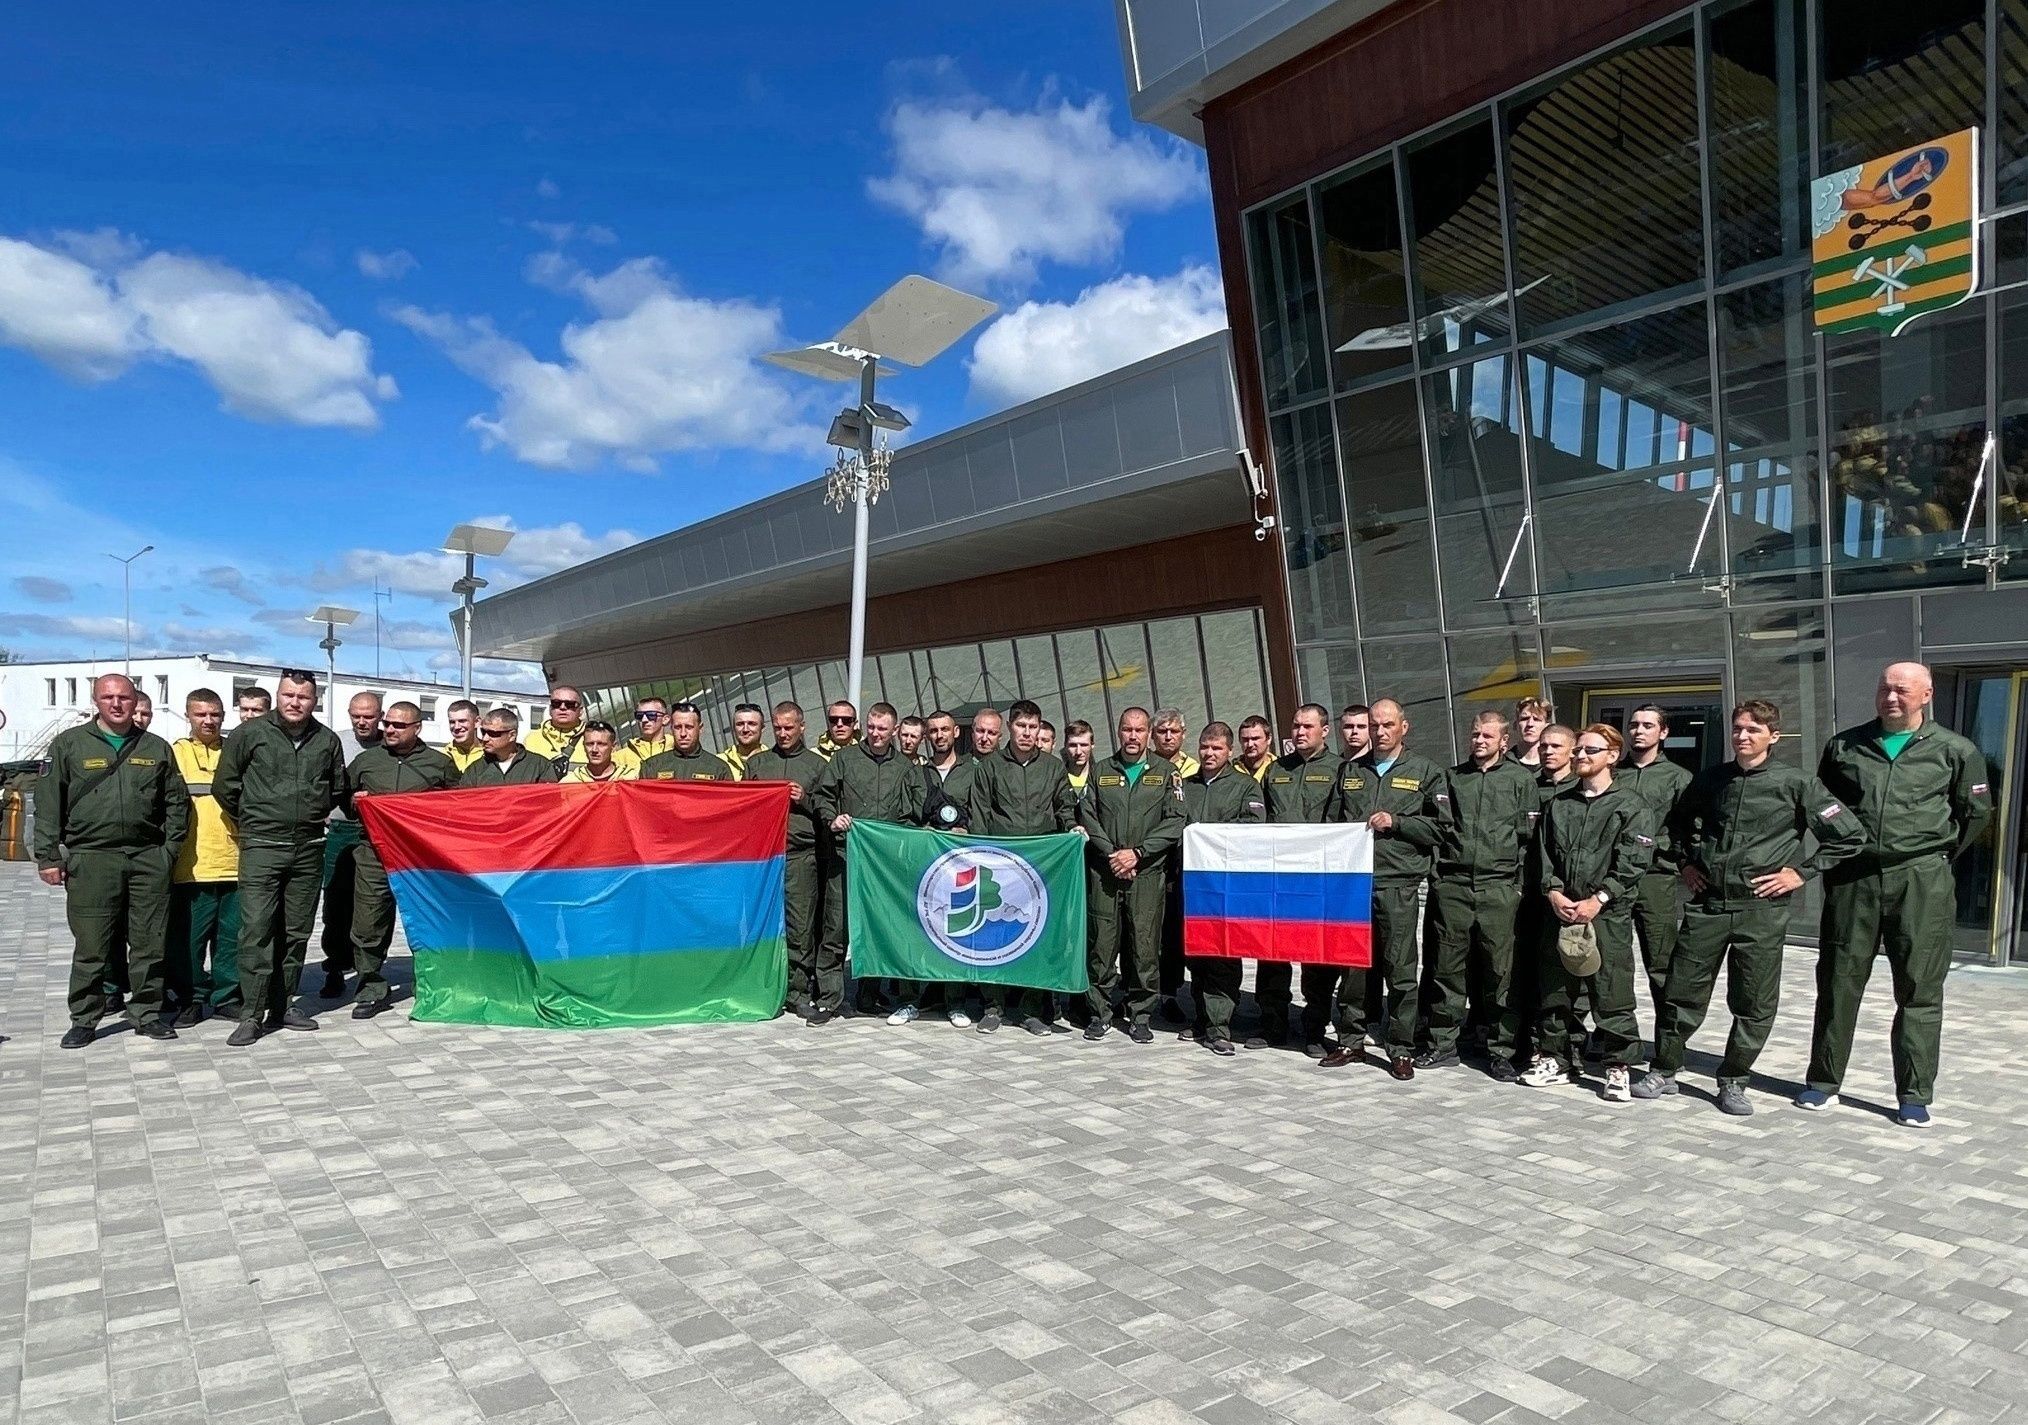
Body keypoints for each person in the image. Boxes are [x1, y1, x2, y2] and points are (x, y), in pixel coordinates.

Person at [1632, 701, 1865, 1115]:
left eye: (1753, 730)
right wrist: (1686, 864)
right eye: (1738, 729)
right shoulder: (1711, 780)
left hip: (1761, 910)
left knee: (1753, 1001)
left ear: (1773, 736)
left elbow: (1848, 835)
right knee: (1681, 991)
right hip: (1709, 906)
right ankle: (1665, 1068)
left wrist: (1800, 873)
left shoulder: (1797, 784)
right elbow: (1678, 824)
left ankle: (1735, 1079)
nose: (1742, 736)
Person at [1801, 662, 1992, 1126]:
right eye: (1884, 688)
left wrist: (1936, 858)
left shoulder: (1956, 750)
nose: (1890, 697)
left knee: (1919, 989)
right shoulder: (1845, 745)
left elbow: (1977, 813)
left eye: (1901, 690)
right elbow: (1823, 806)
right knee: (1838, 983)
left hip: (1921, 880)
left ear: (1926, 695)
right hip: (1855, 879)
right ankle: (1823, 1083)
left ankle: (1914, 1095)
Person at [35, 673, 190, 1046]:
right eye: (108, 697)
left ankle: (147, 1012)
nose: (117, 704)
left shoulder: (155, 747)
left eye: (124, 697)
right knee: (91, 945)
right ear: (96, 701)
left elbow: (176, 803)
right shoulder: (69, 744)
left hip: (146, 857)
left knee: (149, 942)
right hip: (92, 858)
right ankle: (85, 1017)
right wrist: (47, 857)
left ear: (135, 701)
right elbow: (48, 804)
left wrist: (168, 852)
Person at [1518, 724, 1656, 1099]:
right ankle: (1555, 1059)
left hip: (1606, 917)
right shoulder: (1559, 804)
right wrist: (1553, 891)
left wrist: (1601, 898)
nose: (1580, 756)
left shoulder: (1630, 806)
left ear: (1612, 755)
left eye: (1590, 751)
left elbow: (1634, 860)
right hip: (1561, 912)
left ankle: (1617, 1066)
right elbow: (1542, 855)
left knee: (1611, 992)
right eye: (1578, 750)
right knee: (1556, 991)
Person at [214, 669, 349, 1046]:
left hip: (307, 849)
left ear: (314, 700)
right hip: (261, 847)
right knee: (257, 931)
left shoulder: (327, 740)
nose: (295, 702)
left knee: (295, 931)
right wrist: (256, 821)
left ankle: (283, 1004)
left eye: (303, 697)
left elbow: (337, 788)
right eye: (288, 695)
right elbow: (224, 786)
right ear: (278, 696)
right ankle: (251, 1014)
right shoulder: (249, 735)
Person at [1322, 698, 1443, 1080]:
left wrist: (1398, 822)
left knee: (1401, 969)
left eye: (1387, 724)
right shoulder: (1350, 771)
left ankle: (1401, 1047)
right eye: (1374, 725)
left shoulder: (1426, 772)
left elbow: (1441, 828)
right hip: (1355, 884)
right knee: (1354, 966)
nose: (1379, 731)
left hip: (1398, 883)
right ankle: (1351, 1039)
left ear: (1403, 727)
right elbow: (1332, 824)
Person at [1419, 710, 1536, 1078]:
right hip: (1453, 887)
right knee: (1446, 970)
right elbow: (1438, 831)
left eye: (1487, 736)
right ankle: (1442, 1044)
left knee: (1500, 973)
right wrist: (1439, 879)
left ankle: (1501, 1050)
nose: (1479, 741)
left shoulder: (1520, 780)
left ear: (1504, 741)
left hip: (1499, 889)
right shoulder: (1453, 778)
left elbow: (1528, 840)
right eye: (1475, 735)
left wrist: (1516, 886)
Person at [967, 698, 1078, 1035]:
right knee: (995, 934)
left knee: (1037, 935)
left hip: (1041, 867)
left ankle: (1030, 1009)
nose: (1027, 733)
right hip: (1000, 866)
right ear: (1010, 728)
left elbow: (1064, 806)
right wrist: (983, 858)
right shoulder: (989, 767)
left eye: (1033, 727)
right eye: (1021, 726)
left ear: (1039, 729)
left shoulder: (1053, 767)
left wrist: (1072, 829)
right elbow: (980, 814)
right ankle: (993, 1006)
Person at [342, 701, 458, 1017]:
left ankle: (431, 985)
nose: (390, 729)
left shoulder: (439, 764)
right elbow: (343, 798)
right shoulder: (366, 762)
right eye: (388, 724)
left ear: (417, 728)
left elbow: (456, 806)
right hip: (373, 855)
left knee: (426, 921)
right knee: (368, 923)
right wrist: (355, 803)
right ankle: (371, 989)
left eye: (399, 725)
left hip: (419, 858)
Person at [810, 704, 924, 1023]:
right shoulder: (844, 759)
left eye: (882, 729)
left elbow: (914, 811)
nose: (875, 734)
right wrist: (832, 819)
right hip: (845, 857)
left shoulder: (904, 767)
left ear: (895, 730)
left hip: (884, 866)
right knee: (836, 927)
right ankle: (830, 1000)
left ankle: (868, 996)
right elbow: (823, 796)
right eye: (871, 727)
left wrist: (896, 837)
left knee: (879, 929)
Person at [1078, 707, 1186, 1043]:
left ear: (1148, 733)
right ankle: (1100, 1013)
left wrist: (1137, 853)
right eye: (1127, 729)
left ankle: (1140, 1015)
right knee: (1102, 946)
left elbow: (1175, 820)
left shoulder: (1167, 773)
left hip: (1146, 873)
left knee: (1144, 946)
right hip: (1106, 873)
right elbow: (1088, 814)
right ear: (1119, 731)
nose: (1133, 736)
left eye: (1140, 730)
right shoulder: (1100, 771)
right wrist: (1112, 853)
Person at [1256, 704, 1342, 1049]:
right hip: (1279, 879)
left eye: (1308, 726)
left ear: (1325, 730)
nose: (1300, 732)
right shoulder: (1276, 770)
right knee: (1272, 953)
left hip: (1317, 879)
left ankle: (1314, 1029)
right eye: (1295, 725)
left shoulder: (1340, 770)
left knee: (1317, 958)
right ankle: (1272, 1024)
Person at [1179, 721, 1265, 1055]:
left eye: (1217, 748)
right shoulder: (1184, 786)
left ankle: (1219, 1027)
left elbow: (1255, 827)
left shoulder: (1245, 787)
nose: (1209, 753)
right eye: (1205, 747)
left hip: (1226, 888)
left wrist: (1210, 834)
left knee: (1223, 956)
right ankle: (1201, 1019)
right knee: (1196, 956)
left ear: (1230, 751)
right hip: (1191, 886)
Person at [742, 703, 828, 1020]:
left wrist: (805, 798)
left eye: (789, 727)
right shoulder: (758, 763)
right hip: (762, 858)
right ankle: (764, 986)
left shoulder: (817, 765)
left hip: (799, 856)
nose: (783, 733)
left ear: (802, 727)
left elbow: (828, 811)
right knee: (759, 925)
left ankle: (799, 991)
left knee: (800, 926)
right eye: (778, 727)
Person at [898, 708, 980, 1027]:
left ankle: (955, 1002)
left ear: (955, 732)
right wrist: (921, 833)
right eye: (933, 731)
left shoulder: (973, 772)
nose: (939, 736)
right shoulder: (915, 773)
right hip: (922, 864)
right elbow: (903, 816)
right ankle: (907, 1000)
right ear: (925, 736)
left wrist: (966, 830)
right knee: (913, 931)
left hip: (959, 866)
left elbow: (983, 813)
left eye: (944, 729)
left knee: (954, 931)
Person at [1618, 705, 1694, 1046]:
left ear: (1663, 733)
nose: (1638, 730)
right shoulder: (1612, 773)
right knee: (1607, 964)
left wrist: (1654, 844)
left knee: (1661, 966)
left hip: (1655, 879)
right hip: (1613, 880)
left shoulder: (1678, 778)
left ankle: (1669, 1045)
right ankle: (1611, 1037)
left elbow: (1690, 830)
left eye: (1648, 725)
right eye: (1634, 724)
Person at [168, 688, 241, 1026]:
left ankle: (226, 997)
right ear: (189, 716)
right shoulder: (174, 754)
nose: (209, 721)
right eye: (201, 715)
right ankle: (191, 999)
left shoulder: (235, 752)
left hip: (235, 863)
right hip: (191, 866)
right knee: (190, 940)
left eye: (215, 715)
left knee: (230, 938)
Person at [317, 690, 383, 1001]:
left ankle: (368, 968)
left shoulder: (388, 743)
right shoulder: (335, 742)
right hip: (341, 829)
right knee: (336, 902)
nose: (361, 721)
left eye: (368, 716)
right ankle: (335, 967)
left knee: (372, 905)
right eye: (356, 715)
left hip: (375, 832)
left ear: (379, 715)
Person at [526, 684, 639, 776]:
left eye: (570, 704)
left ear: (581, 711)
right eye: (556, 703)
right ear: (550, 709)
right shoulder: (531, 739)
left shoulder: (597, 739)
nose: (563, 707)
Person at [460, 708, 561, 786]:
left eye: (493, 733)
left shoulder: (539, 766)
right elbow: (464, 804)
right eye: (483, 732)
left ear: (512, 735)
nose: (485, 738)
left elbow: (550, 805)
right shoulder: (475, 770)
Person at [640, 703, 735, 781]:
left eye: (689, 727)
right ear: (671, 729)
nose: (683, 733)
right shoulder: (652, 766)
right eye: (678, 727)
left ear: (700, 728)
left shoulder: (719, 768)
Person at [562, 722, 638, 782]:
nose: (594, 750)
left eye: (601, 744)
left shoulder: (630, 778)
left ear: (613, 746)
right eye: (590, 744)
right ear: (584, 746)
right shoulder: (570, 783)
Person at [1151, 709, 1199, 779]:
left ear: (1183, 734)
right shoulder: (1143, 767)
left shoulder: (1195, 770)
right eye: (1162, 731)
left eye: (1174, 731)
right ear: (1152, 734)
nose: (1168, 737)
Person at [721, 703, 766, 778]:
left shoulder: (775, 761)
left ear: (762, 728)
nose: (745, 729)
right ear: (733, 729)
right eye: (740, 724)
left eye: (752, 724)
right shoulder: (720, 762)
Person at [441, 699, 485, 774]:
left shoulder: (489, 754)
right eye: (452, 722)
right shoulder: (443, 756)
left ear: (477, 722)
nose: (456, 727)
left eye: (462, 721)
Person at [626, 696, 674, 762]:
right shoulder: (625, 754)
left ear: (665, 719)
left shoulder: (676, 747)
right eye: (639, 716)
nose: (644, 720)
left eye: (651, 715)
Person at [1512, 698, 1553, 770]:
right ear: (1516, 725)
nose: (1530, 724)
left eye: (1537, 719)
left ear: (1547, 726)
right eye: (1524, 719)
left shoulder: (1553, 764)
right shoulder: (1503, 762)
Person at [1237, 715, 1275, 782]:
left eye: (1255, 738)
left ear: (1269, 739)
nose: (1250, 744)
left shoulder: (1280, 769)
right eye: (1245, 739)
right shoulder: (1231, 771)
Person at [1063, 720, 1095, 796]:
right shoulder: (1057, 779)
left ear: (1092, 745)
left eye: (1084, 745)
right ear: (1065, 746)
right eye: (1073, 745)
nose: (1078, 752)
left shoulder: (1100, 777)